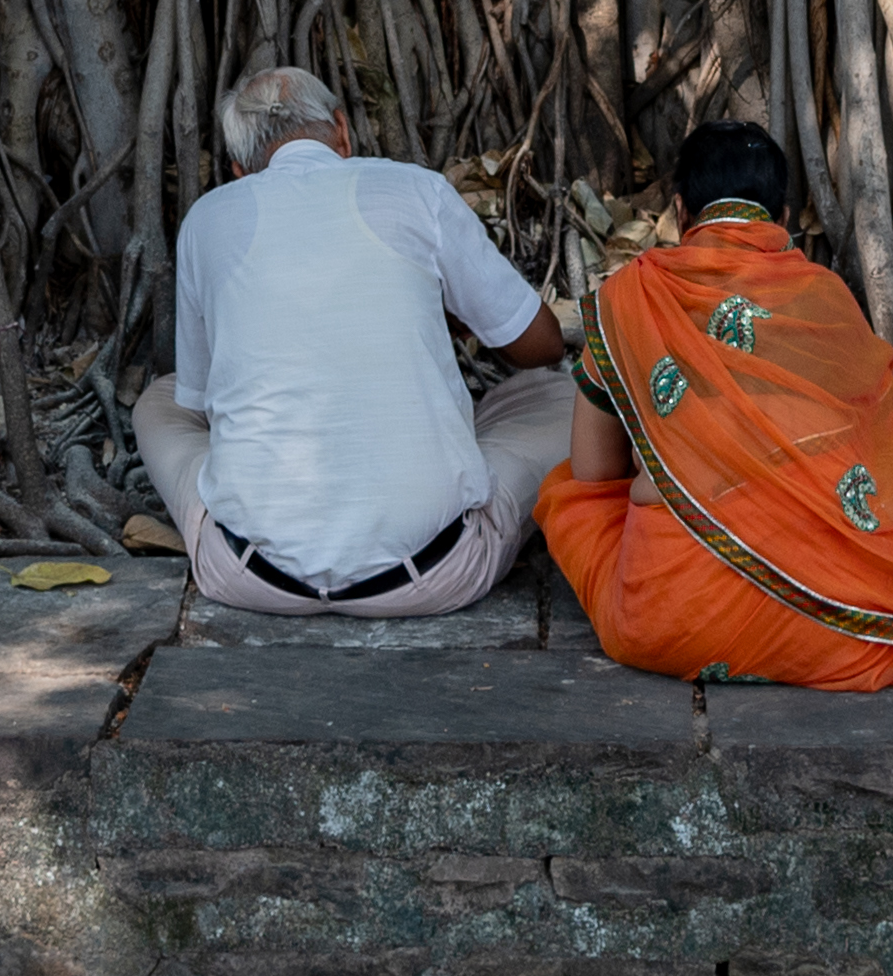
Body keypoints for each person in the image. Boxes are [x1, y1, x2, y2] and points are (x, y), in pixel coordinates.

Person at [538, 122, 893, 691]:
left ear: (681, 212)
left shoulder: (626, 298)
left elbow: (593, 473)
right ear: (782, 219)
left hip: (664, 618)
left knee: (570, 495)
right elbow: (884, 448)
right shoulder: (824, 298)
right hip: (838, 622)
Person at [142, 64, 577, 617]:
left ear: (237, 171)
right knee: (566, 397)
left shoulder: (207, 220)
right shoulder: (417, 191)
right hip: (438, 573)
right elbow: (541, 349)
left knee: (161, 402)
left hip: (250, 576)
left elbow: (200, 405)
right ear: (342, 130)